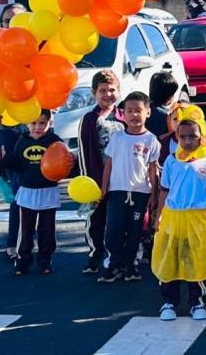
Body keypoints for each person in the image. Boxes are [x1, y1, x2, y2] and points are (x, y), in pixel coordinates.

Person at [152, 106, 206, 321]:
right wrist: (159, 216)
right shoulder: (171, 161)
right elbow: (164, 191)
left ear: (202, 136)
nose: (187, 140)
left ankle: (196, 301)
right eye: (182, 136)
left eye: (193, 136)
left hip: (198, 217)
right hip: (174, 217)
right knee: (170, 258)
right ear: (177, 137)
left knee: (196, 259)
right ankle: (168, 301)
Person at [0, 110, 63, 276]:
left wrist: (70, 161)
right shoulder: (23, 141)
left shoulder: (55, 141)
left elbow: (63, 162)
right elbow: (16, 163)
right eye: (34, 123)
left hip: (48, 192)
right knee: (26, 229)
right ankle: (23, 260)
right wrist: (3, 158)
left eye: (42, 123)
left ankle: (45, 260)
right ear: (27, 124)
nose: (37, 127)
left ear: (50, 123)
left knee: (47, 230)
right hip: (28, 193)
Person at [99, 92, 161, 283]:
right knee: (113, 230)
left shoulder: (151, 140)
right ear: (122, 114)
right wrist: (104, 189)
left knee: (135, 231)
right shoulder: (117, 138)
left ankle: (131, 266)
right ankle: (113, 264)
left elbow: (153, 169)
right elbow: (108, 164)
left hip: (140, 192)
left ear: (148, 113)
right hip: (117, 191)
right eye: (129, 111)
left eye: (139, 111)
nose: (134, 115)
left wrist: (154, 195)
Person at [76, 70, 125, 275]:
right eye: (102, 91)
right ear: (94, 93)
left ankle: (119, 256)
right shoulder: (89, 119)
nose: (107, 95)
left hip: (121, 178)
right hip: (97, 177)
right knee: (96, 218)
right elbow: (84, 150)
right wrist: (91, 182)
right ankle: (95, 254)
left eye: (112, 90)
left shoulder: (124, 117)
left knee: (118, 219)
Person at [0, 2, 28, 260]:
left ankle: (34, 240)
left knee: (39, 188)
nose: (12, 24)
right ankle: (14, 242)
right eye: (7, 20)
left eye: (18, 19)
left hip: (35, 131)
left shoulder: (38, 49)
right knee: (18, 189)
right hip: (8, 129)